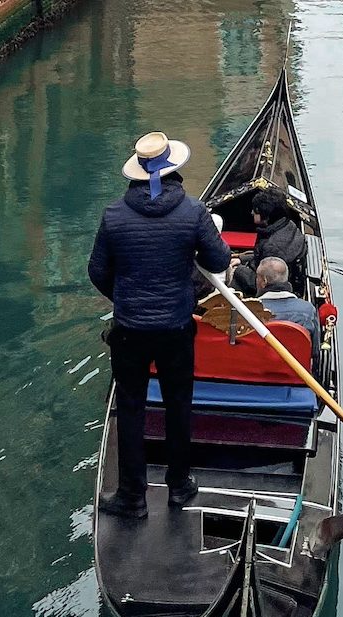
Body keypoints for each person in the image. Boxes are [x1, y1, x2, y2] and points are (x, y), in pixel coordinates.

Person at [89, 131, 231, 519]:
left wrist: (126, 300)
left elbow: (97, 271)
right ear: (174, 171)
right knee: (178, 405)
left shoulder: (114, 215)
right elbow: (219, 261)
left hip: (130, 330)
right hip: (175, 328)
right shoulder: (193, 212)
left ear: (135, 175)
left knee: (131, 408)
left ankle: (132, 497)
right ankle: (180, 486)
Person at [232, 188, 306, 296]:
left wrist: (237, 270)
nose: (252, 212)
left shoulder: (271, 246)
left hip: (272, 288)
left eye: (256, 210)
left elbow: (260, 283)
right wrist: (242, 259)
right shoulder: (289, 225)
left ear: (266, 216)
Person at [256, 257, 320, 344]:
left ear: (264, 281)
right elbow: (315, 351)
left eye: (257, 277)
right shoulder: (308, 309)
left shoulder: (247, 311)